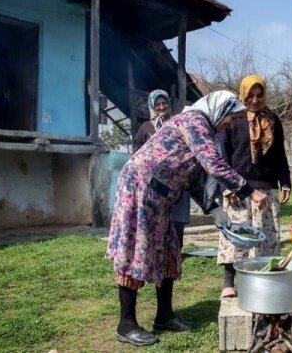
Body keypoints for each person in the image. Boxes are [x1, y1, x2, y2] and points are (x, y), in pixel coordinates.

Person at [107, 90, 269, 347]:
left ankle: (164, 315)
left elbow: (193, 178)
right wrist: (250, 191)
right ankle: (126, 324)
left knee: (169, 250)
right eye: (229, 118)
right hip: (140, 187)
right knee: (136, 250)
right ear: (220, 110)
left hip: (162, 196)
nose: (228, 124)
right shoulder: (195, 121)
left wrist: (213, 210)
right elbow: (212, 164)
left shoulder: (203, 130)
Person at [216, 74, 291, 298]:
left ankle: (263, 282)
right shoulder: (231, 119)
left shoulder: (273, 120)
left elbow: (280, 154)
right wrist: (229, 188)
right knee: (236, 236)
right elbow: (222, 156)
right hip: (238, 189)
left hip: (267, 187)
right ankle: (229, 282)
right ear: (243, 94)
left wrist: (285, 181)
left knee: (266, 237)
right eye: (250, 95)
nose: (255, 100)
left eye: (259, 95)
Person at [133, 89, 190, 250]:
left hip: (177, 179)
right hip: (154, 183)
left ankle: (175, 255)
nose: (161, 107)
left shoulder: (176, 123)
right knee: (156, 222)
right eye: (157, 104)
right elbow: (137, 150)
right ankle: (157, 254)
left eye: (164, 103)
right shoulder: (145, 127)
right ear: (152, 106)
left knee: (177, 220)